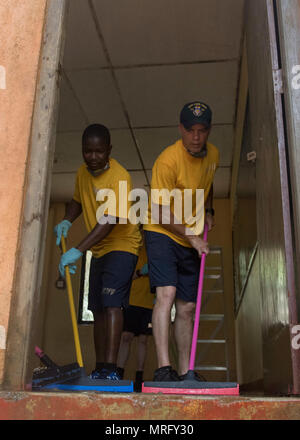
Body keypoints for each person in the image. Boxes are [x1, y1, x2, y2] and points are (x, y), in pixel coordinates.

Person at [54, 123, 141, 380]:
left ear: (109, 150)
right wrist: (67, 220)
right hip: (100, 248)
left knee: (113, 304)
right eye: (87, 151)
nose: (93, 157)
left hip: (122, 245)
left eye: (99, 151)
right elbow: (78, 201)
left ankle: (111, 370)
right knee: (98, 308)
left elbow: (110, 221)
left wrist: (78, 250)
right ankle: (100, 367)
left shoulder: (120, 177)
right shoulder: (82, 172)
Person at [143, 101, 219, 382]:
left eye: (202, 130)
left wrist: (209, 210)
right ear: (180, 129)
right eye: (190, 130)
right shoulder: (167, 160)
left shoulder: (213, 154)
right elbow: (160, 213)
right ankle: (164, 368)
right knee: (167, 294)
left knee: (187, 307)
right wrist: (193, 237)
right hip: (162, 230)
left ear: (209, 130)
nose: (196, 137)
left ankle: (186, 372)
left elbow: (208, 183)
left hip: (191, 236)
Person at [116, 243, 154, 392]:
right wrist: (140, 272)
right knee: (126, 336)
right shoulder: (132, 251)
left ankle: (139, 377)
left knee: (144, 339)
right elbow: (123, 278)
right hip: (132, 301)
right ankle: (119, 373)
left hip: (149, 303)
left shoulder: (154, 251)